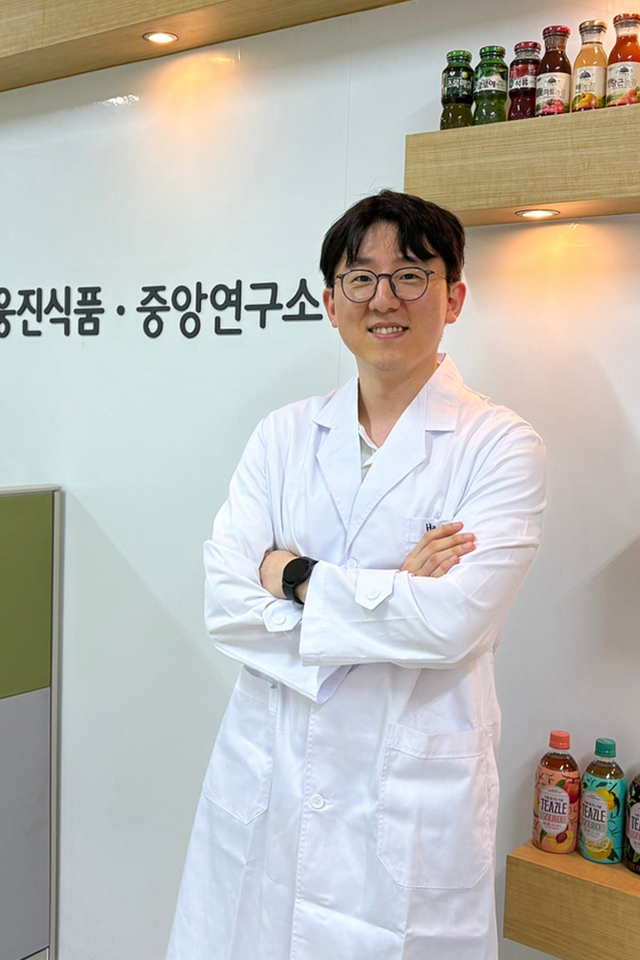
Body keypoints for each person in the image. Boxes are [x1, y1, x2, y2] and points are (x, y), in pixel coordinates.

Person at [165, 190, 546, 960]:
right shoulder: (281, 437)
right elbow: (226, 605)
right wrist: (395, 588)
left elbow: (450, 625)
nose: (384, 299)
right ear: (331, 302)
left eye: (411, 275)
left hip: (404, 806)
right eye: (361, 278)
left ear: (454, 297)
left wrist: (294, 575)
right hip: (271, 779)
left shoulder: (500, 446)